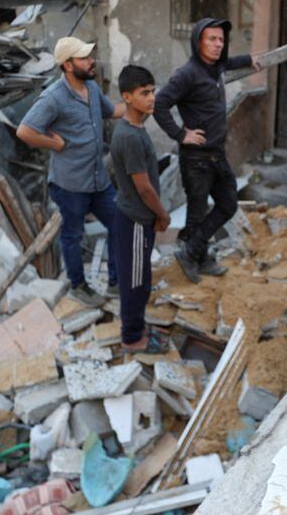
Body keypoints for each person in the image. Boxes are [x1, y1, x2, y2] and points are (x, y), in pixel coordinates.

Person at [17, 37, 126, 307]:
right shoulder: (54, 97)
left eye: (90, 56)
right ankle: (79, 286)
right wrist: (55, 144)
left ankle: (115, 282)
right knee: (73, 236)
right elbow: (25, 131)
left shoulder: (92, 88)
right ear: (67, 65)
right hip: (70, 184)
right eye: (84, 58)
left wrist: (140, 103)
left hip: (98, 180)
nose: (91, 62)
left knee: (120, 222)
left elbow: (113, 111)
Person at [153, 18, 258, 283]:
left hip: (217, 154)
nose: (218, 44)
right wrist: (181, 134)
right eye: (212, 39)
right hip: (196, 159)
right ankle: (196, 256)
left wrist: (250, 59)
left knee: (228, 203)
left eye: (221, 40)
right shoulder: (186, 74)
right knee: (197, 214)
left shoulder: (217, 66)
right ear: (198, 41)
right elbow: (160, 104)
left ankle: (192, 251)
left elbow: (230, 62)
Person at [110, 65, 171, 355]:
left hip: (139, 218)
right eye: (144, 93)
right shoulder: (129, 137)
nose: (151, 98)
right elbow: (144, 188)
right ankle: (132, 338)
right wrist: (162, 214)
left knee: (141, 279)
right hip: (134, 220)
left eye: (153, 92)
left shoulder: (136, 129)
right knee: (134, 283)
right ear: (127, 97)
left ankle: (139, 327)